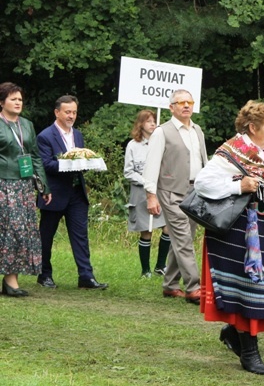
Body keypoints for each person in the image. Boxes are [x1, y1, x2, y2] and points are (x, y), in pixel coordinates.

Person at [194, 100, 264, 375]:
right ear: (252, 127)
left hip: (263, 228)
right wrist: (237, 185)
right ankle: (249, 351)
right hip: (239, 233)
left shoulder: (262, 151)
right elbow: (202, 183)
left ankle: (234, 335)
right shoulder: (233, 151)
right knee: (250, 290)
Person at [143, 90, 208, 304]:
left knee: (182, 239)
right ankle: (194, 287)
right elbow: (151, 165)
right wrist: (151, 196)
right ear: (172, 107)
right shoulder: (162, 132)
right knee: (183, 239)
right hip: (171, 192)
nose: (186, 106)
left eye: (189, 102)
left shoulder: (197, 130)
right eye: (181, 103)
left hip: (195, 192)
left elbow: (204, 161)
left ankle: (170, 284)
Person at [37, 95, 108, 290]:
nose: (71, 116)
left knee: (80, 236)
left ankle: (86, 276)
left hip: (76, 192)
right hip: (53, 193)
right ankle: (44, 274)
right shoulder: (45, 136)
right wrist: (71, 162)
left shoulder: (77, 135)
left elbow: (81, 163)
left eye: (74, 112)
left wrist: (87, 163)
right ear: (57, 112)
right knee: (47, 236)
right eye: (67, 112)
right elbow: (46, 165)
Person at [0, 82, 51, 296]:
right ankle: (10, 282)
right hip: (3, 183)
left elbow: (36, 157)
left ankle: (11, 282)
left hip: (23, 186)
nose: (18, 102)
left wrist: (43, 186)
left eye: (20, 99)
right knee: (6, 230)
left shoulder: (27, 125)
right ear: (2, 102)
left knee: (20, 233)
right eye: (13, 99)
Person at [124, 110, 170, 278]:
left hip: (161, 191)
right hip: (141, 192)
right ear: (141, 124)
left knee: (168, 228)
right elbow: (128, 172)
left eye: (155, 121)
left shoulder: (162, 143)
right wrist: (147, 181)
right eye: (149, 121)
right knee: (147, 230)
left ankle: (160, 266)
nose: (153, 124)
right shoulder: (133, 145)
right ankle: (145, 271)